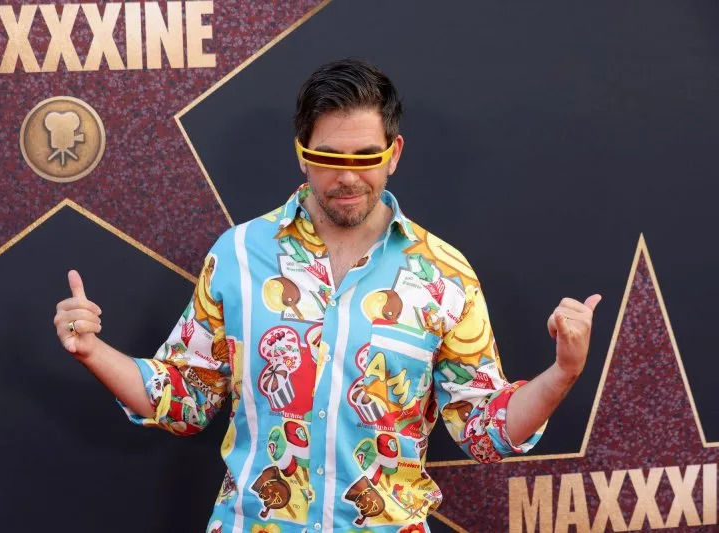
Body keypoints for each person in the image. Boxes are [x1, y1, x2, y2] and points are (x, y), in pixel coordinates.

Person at [53, 59, 600, 532]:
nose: (348, 177)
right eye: (329, 157)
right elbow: (185, 398)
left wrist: (563, 374)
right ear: (302, 154)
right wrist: (92, 351)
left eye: (365, 156)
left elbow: (486, 430)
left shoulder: (445, 275)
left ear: (394, 153)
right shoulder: (238, 256)